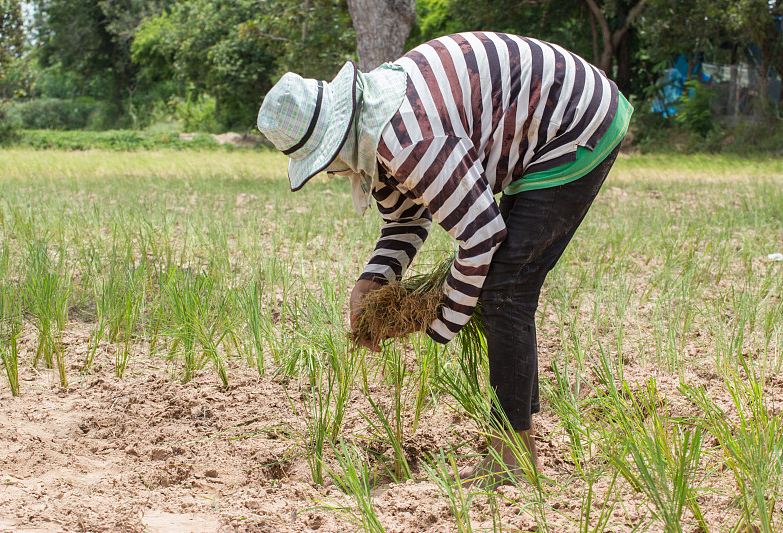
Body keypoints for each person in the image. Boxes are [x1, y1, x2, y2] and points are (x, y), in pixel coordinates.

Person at [257, 31, 632, 483]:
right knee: (505, 289)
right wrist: (369, 286)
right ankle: (518, 437)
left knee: (505, 290)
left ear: (337, 144)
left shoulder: (408, 139)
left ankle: (512, 456)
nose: (333, 173)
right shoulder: (373, 123)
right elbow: (405, 222)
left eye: (325, 163)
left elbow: (481, 238)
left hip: (576, 120)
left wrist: (425, 321)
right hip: (539, 122)